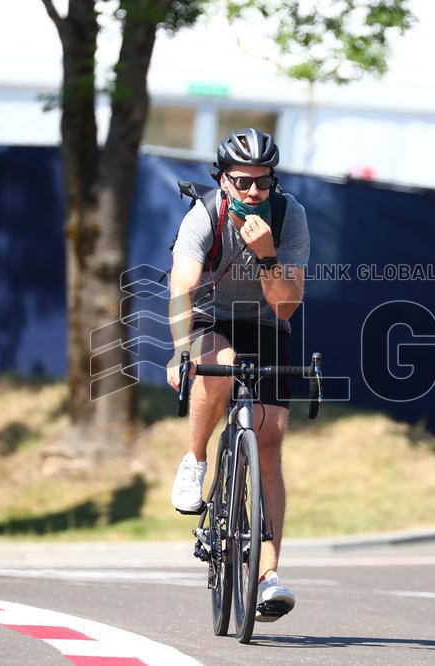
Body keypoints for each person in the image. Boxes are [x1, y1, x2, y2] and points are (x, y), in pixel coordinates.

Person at [165, 128, 310, 622]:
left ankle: (269, 576)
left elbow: (287, 305)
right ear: (222, 179)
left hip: (268, 322)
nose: (252, 193)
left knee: (270, 437)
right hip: (211, 317)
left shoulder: (290, 216)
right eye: (242, 182)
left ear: (274, 181)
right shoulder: (205, 214)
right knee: (220, 370)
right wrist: (180, 353)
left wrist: (268, 255)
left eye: (262, 183)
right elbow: (182, 287)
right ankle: (196, 459)